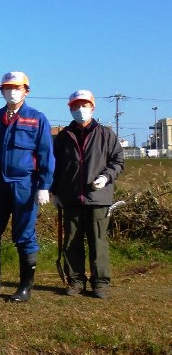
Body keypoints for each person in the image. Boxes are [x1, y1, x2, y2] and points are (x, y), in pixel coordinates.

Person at [0, 72, 55, 303]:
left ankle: (25, 287)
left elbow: (45, 154)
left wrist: (44, 185)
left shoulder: (37, 118)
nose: (11, 91)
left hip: (24, 184)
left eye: (17, 87)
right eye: (7, 87)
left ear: (26, 91)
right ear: (1, 90)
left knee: (24, 236)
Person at [50, 90, 124, 299]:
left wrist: (106, 177)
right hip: (70, 197)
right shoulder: (64, 136)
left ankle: (100, 283)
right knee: (72, 241)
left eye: (84, 105)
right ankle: (76, 281)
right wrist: (54, 192)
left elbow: (117, 161)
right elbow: (56, 166)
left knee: (98, 241)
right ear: (70, 109)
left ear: (93, 107)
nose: (80, 109)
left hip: (98, 198)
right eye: (75, 106)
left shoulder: (106, 134)